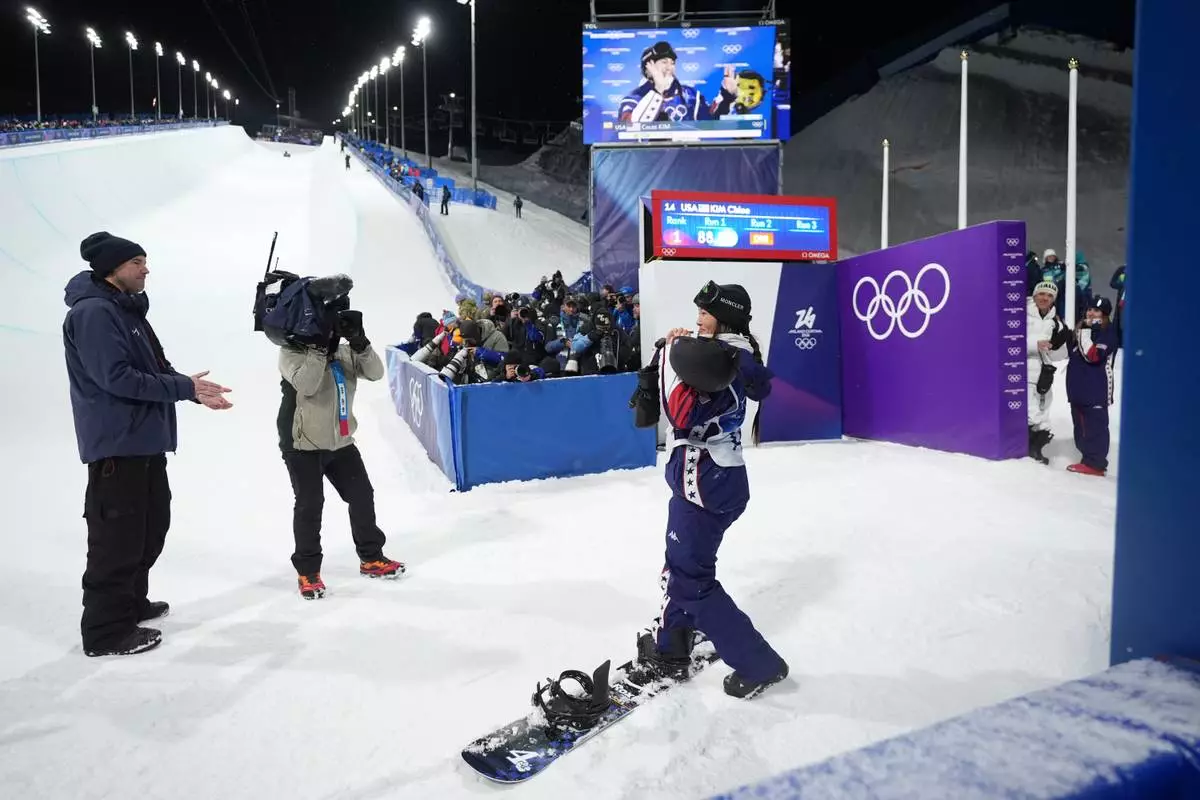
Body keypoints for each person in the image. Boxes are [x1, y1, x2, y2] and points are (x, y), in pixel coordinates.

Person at [63, 232, 234, 657]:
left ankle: (131, 605)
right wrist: (182, 387)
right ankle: (105, 633)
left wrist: (191, 390)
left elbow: (155, 367)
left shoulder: (126, 310)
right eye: (137, 262)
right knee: (116, 541)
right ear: (113, 268)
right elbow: (116, 378)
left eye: (144, 261)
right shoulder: (94, 313)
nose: (146, 269)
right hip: (117, 445)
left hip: (143, 442)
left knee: (149, 529)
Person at [627, 281, 788, 699]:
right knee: (681, 565)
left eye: (705, 312)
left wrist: (669, 357)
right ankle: (672, 643)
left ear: (725, 318)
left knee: (691, 580)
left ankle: (759, 665)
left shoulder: (718, 360)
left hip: (704, 484)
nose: (698, 318)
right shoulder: (729, 352)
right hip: (711, 481)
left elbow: (680, 414)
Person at [277, 292, 405, 599]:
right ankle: (308, 572)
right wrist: (318, 349)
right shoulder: (291, 353)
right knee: (310, 505)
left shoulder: (344, 352)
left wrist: (360, 342)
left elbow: (376, 373)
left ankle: (371, 557)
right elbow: (306, 385)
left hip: (340, 441)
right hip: (302, 444)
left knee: (361, 495)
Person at [1065, 296, 1120, 476]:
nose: (1091, 313)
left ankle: (1095, 464)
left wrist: (1084, 332)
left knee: (1095, 428)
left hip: (1096, 391)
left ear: (1105, 315)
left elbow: (1093, 355)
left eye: (1096, 310)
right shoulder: (1081, 331)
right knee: (1081, 429)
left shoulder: (1108, 333)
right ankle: (1087, 460)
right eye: (1089, 309)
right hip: (1078, 391)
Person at [1026, 281, 1070, 463]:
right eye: (1041, 294)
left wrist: (1053, 348)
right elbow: (1008, 341)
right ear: (1035, 295)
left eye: (1050, 295)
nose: (1045, 298)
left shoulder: (1056, 322)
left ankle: (1035, 451)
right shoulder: (1020, 314)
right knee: (1031, 413)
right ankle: (1023, 450)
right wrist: (1034, 345)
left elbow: (1062, 353)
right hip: (1022, 371)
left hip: (1044, 374)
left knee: (1043, 414)